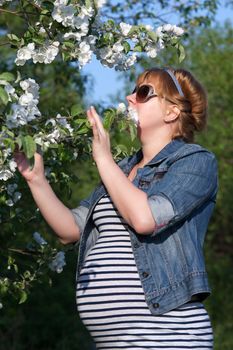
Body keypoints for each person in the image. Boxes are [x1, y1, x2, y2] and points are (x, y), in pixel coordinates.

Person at [15, 67, 218, 350]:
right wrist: (36, 179)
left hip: (168, 336)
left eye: (144, 92)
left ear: (171, 112)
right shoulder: (120, 171)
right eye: (134, 90)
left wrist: (103, 158)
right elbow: (71, 229)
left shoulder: (196, 162)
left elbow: (145, 218)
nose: (130, 97)